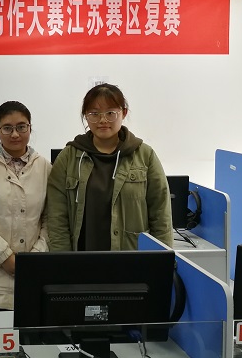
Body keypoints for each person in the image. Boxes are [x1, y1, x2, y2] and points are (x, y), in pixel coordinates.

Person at [46, 83, 173, 252]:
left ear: (123, 113)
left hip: (132, 258)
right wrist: (63, 261)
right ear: (86, 116)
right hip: (81, 259)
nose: (103, 120)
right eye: (94, 114)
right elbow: (56, 219)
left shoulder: (144, 155)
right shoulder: (68, 157)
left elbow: (161, 216)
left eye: (110, 113)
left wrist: (162, 259)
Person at [0, 101, 52, 311]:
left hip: (34, 277)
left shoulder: (44, 167)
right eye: (7, 128)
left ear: (30, 128)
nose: (15, 134)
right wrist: (6, 258)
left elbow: (50, 220)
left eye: (21, 127)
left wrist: (32, 261)